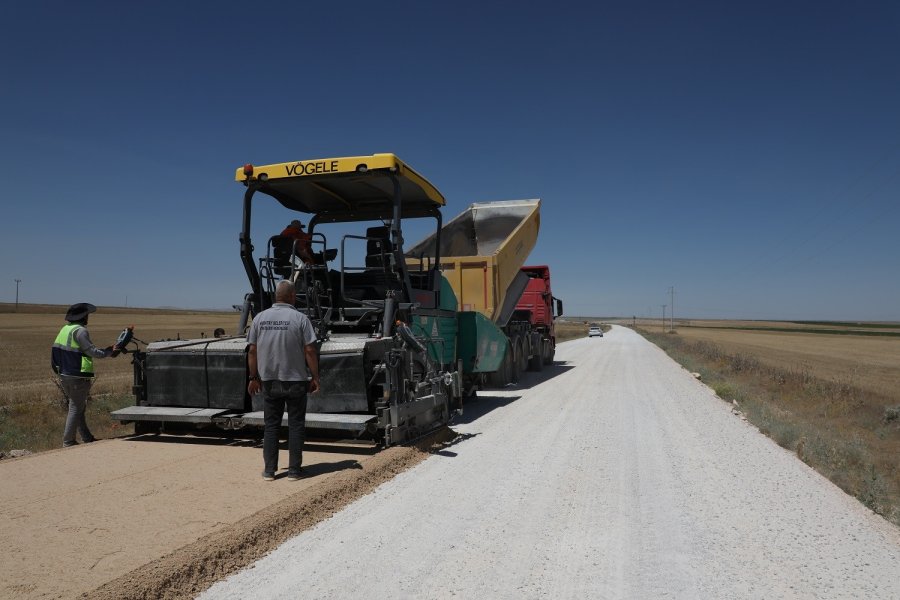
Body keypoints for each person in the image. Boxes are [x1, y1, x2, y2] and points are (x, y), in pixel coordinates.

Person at [246, 280, 320, 481]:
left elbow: (252, 350)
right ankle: (294, 471)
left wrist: (253, 378)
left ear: (276, 296)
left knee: (271, 426)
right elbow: (310, 350)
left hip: (269, 381)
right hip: (295, 381)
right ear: (292, 296)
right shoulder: (300, 319)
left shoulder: (260, 318)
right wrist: (315, 376)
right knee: (296, 425)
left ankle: (270, 471)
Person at [51, 303, 123, 447]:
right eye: (87, 315)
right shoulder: (80, 331)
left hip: (64, 374)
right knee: (75, 407)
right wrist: (109, 351)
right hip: (78, 375)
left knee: (79, 407)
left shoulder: (65, 329)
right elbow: (92, 351)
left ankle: (86, 437)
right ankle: (68, 441)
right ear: (83, 317)